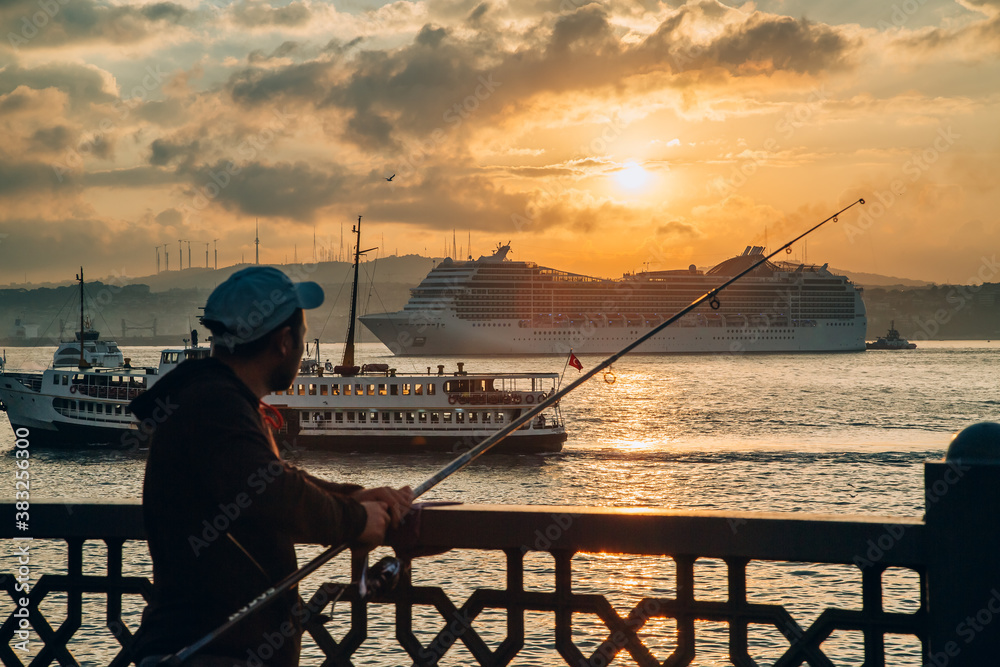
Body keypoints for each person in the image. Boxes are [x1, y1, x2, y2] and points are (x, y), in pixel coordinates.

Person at [131, 266, 412, 666]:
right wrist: (354, 519)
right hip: (209, 651)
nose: (302, 347)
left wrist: (352, 496)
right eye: (303, 336)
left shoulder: (208, 397)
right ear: (283, 342)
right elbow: (269, 492)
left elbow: (265, 479)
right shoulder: (216, 406)